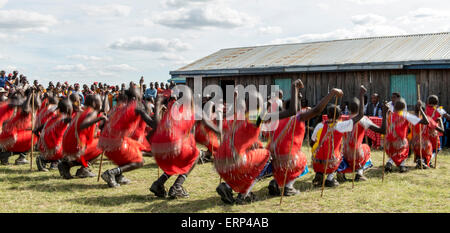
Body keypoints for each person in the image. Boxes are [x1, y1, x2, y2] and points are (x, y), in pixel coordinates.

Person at [266, 83, 344, 197]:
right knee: (301, 159)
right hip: (289, 159)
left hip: (274, 160)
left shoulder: (276, 117)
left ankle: (277, 182)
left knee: (287, 158)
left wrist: (297, 96)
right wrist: (331, 93)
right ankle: (288, 187)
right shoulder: (298, 117)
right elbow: (317, 110)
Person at [150, 86, 219, 199]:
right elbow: (207, 123)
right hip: (174, 143)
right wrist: (221, 132)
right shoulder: (193, 110)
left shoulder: (172, 109)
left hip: (161, 144)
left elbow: (157, 124)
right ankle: (177, 186)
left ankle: (158, 183)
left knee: (179, 162)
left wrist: (157, 107)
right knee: (195, 156)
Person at [309, 86, 366, 187]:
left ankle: (319, 173)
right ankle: (330, 179)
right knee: (340, 156)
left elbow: (311, 142)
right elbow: (360, 115)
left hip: (316, 161)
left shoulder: (320, 125)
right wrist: (361, 95)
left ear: (327, 115)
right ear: (340, 116)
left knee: (324, 153)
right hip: (331, 162)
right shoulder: (340, 126)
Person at [98, 87, 154, 187]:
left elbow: (102, 125)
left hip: (104, 143)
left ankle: (118, 175)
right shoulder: (137, 108)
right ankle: (112, 173)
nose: (141, 99)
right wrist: (158, 107)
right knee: (139, 161)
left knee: (136, 149)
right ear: (134, 98)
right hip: (115, 144)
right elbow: (154, 124)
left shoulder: (118, 108)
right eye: (139, 97)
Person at [336, 96, 387, 182]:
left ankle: (342, 171)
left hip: (345, 154)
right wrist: (385, 114)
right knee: (366, 147)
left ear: (348, 108)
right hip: (357, 155)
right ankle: (359, 173)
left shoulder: (345, 119)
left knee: (345, 149)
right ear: (360, 109)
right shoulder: (363, 119)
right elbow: (382, 130)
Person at [59, 95, 105, 179]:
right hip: (76, 147)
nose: (101, 104)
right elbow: (82, 126)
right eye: (100, 101)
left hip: (69, 146)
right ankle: (83, 169)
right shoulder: (91, 113)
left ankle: (67, 165)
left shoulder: (84, 112)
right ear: (94, 103)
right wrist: (99, 119)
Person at [384, 98, 429, 173]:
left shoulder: (390, 114)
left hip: (388, 143)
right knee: (406, 148)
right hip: (400, 142)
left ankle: (389, 162)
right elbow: (426, 122)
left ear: (394, 107)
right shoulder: (406, 115)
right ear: (404, 107)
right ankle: (402, 165)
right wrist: (420, 109)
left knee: (395, 152)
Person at [0, 89, 40, 165]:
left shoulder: (25, 104)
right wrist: (29, 96)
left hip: (12, 131)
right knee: (31, 138)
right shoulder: (24, 105)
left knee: (32, 137)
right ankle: (8, 155)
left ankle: (10, 156)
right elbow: (25, 110)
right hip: (12, 133)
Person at [35, 99, 73, 171]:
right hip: (55, 149)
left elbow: (39, 128)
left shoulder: (54, 118)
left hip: (44, 147)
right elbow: (70, 119)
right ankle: (50, 161)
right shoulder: (63, 119)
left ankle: (47, 160)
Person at [411, 101, 444, 169]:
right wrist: (440, 120)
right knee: (428, 152)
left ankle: (421, 161)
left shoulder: (412, 118)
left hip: (414, 144)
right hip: (425, 145)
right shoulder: (426, 119)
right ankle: (423, 161)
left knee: (421, 155)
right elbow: (442, 130)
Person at [424, 95, 450, 166]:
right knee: (436, 149)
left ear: (428, 101)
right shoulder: (438, 109)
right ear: (437, 102)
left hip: (425, 131)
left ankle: (425, 160)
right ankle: (427, 160)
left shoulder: (424, 109)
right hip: (435, 131)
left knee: (427, 147)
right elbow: (447, 117)